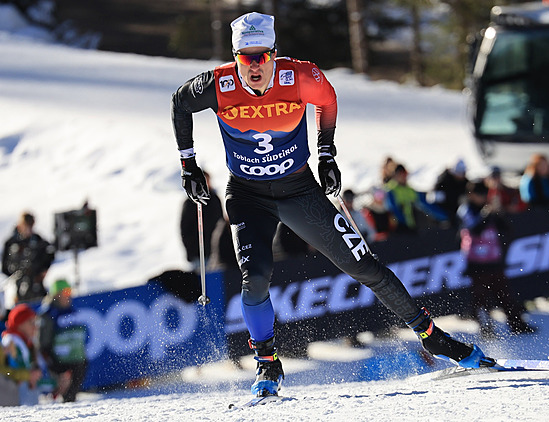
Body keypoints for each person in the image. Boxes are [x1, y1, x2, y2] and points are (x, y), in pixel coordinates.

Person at [171, 11, 491, 398]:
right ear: (235, 57)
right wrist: (188, 165)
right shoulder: (218, 84)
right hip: (249, 195)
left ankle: (433, 336)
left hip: (299, 191)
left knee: (364, 266)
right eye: (245, 57)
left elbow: (327, 99)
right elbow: (179, 103)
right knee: (254, 280)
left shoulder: (301, 76)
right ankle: (268, 363)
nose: (254, 66)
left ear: (275, 53)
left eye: (262, 56)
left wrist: (326, 153)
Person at [457, 181, 535, 338]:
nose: (483, 197)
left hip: (493, 260)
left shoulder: (489, 208)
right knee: (480, 298)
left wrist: (498, 212)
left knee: (505, 294)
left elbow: (507, 228)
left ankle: (516, 324)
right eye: (480, 194)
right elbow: (475, 229)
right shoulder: (466, 209)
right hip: (476, 262)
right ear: (471, 195)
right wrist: (486, 213)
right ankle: (486, 329)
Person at [38, 279, 88, 403]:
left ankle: (70, 399)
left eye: (70, 291)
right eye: (66, 292)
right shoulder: (48, 314)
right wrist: (51, 362)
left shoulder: (71, 311)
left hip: (74, 359)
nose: (69, 295)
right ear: (56, 295)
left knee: (82, 364)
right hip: (56, 360)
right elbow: (43, 342)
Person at [1, 304, 52, 405]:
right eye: (30, 322)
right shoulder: (12, 341)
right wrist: (29, 376)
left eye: (35, 322)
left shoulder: (28, 343)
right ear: (19, 324)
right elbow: (11, 374)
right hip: (10, 398)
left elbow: (40, 374)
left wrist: (57, 383)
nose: (35, 326)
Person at [2, 212, 55, 304]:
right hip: (16, 285)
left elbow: (50, 252)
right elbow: (5, 266)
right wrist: (15, 275)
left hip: (36, 283)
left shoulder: (37, 240)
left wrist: (43, 270)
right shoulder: (11, 243)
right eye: (26, 225)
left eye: (31, 226)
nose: (29, 229)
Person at [180, 170, 224, 272]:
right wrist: (191, 252)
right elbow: (185, 229)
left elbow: (221, 223)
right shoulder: (190, 203)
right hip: (197, 253)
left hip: (216, 253)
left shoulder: (215, 200)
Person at [427, 159, 469, 226]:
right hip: (443, 209)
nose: (461, 176)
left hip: (456, 211)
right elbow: (433, 195)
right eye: (459, 173)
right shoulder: (444, 179)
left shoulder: (465, 183)